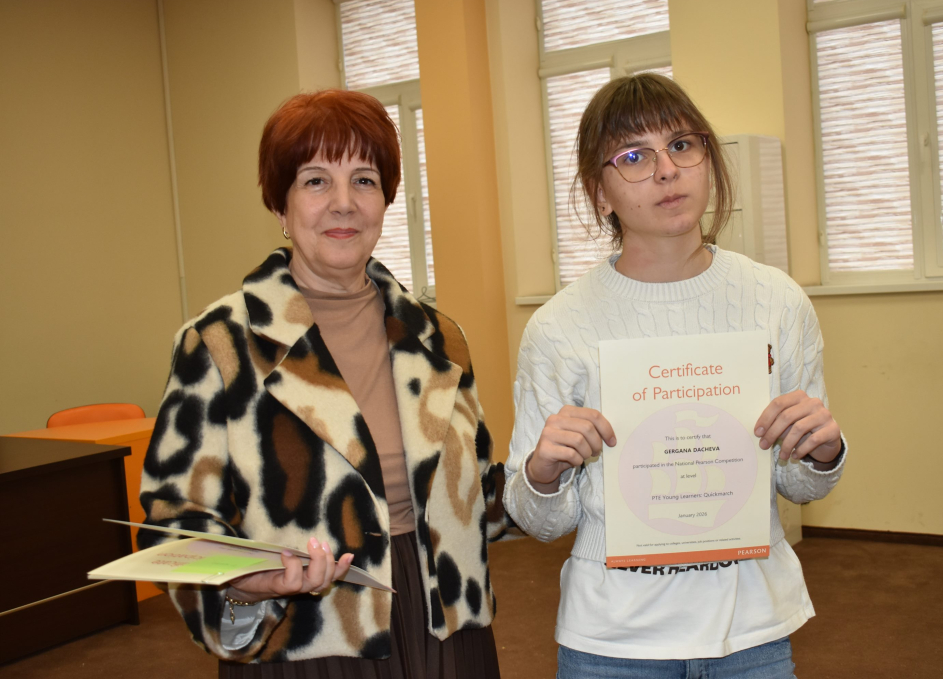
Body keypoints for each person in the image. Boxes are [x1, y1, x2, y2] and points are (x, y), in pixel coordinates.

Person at [140, 89, 510, 678]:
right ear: (280, 207)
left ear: (385, 198)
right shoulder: (219, 344)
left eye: (364, 181)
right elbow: (175, 526)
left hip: (447, 634)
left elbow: (481, 505)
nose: (344, 203)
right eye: (316, 181)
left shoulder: (438, 337)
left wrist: (541, 478)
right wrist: (245, 586)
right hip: (307, 642)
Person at [503, 73, 847, 678]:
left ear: (707, 161)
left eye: (682, 145)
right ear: (599, 193)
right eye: (634, 156)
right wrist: (543, 472)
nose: (667, 171)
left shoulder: (777, 302)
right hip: (612, 642)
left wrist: (823, 451)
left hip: (752, 633)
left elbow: (801, 486)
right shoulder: (559, 326)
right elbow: (540, 521)